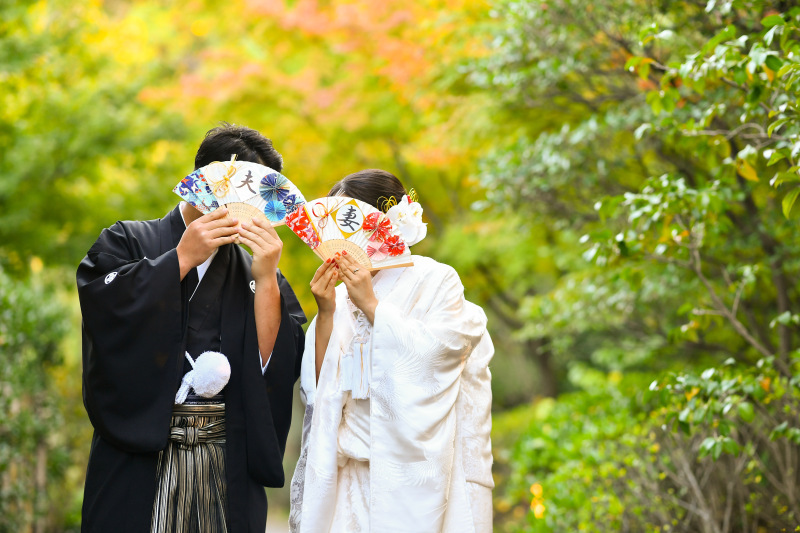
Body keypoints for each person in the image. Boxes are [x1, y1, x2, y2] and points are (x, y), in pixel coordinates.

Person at [77, 123, 306, 533]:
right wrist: (180, 260)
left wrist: (268, 277)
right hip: (140, 453)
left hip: (224, 454)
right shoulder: (127, 240)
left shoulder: (256, 269)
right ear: (202, 178)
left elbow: (277, 361)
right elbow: (104, 311)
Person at [288, 169, 494, 533]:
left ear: (385, 224)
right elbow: (318, 390)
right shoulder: (338, 293)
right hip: (350, 476)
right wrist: (327, 312)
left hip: (413, 474)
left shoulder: (436, 280)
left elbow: (441, 357)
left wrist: (372, 306)